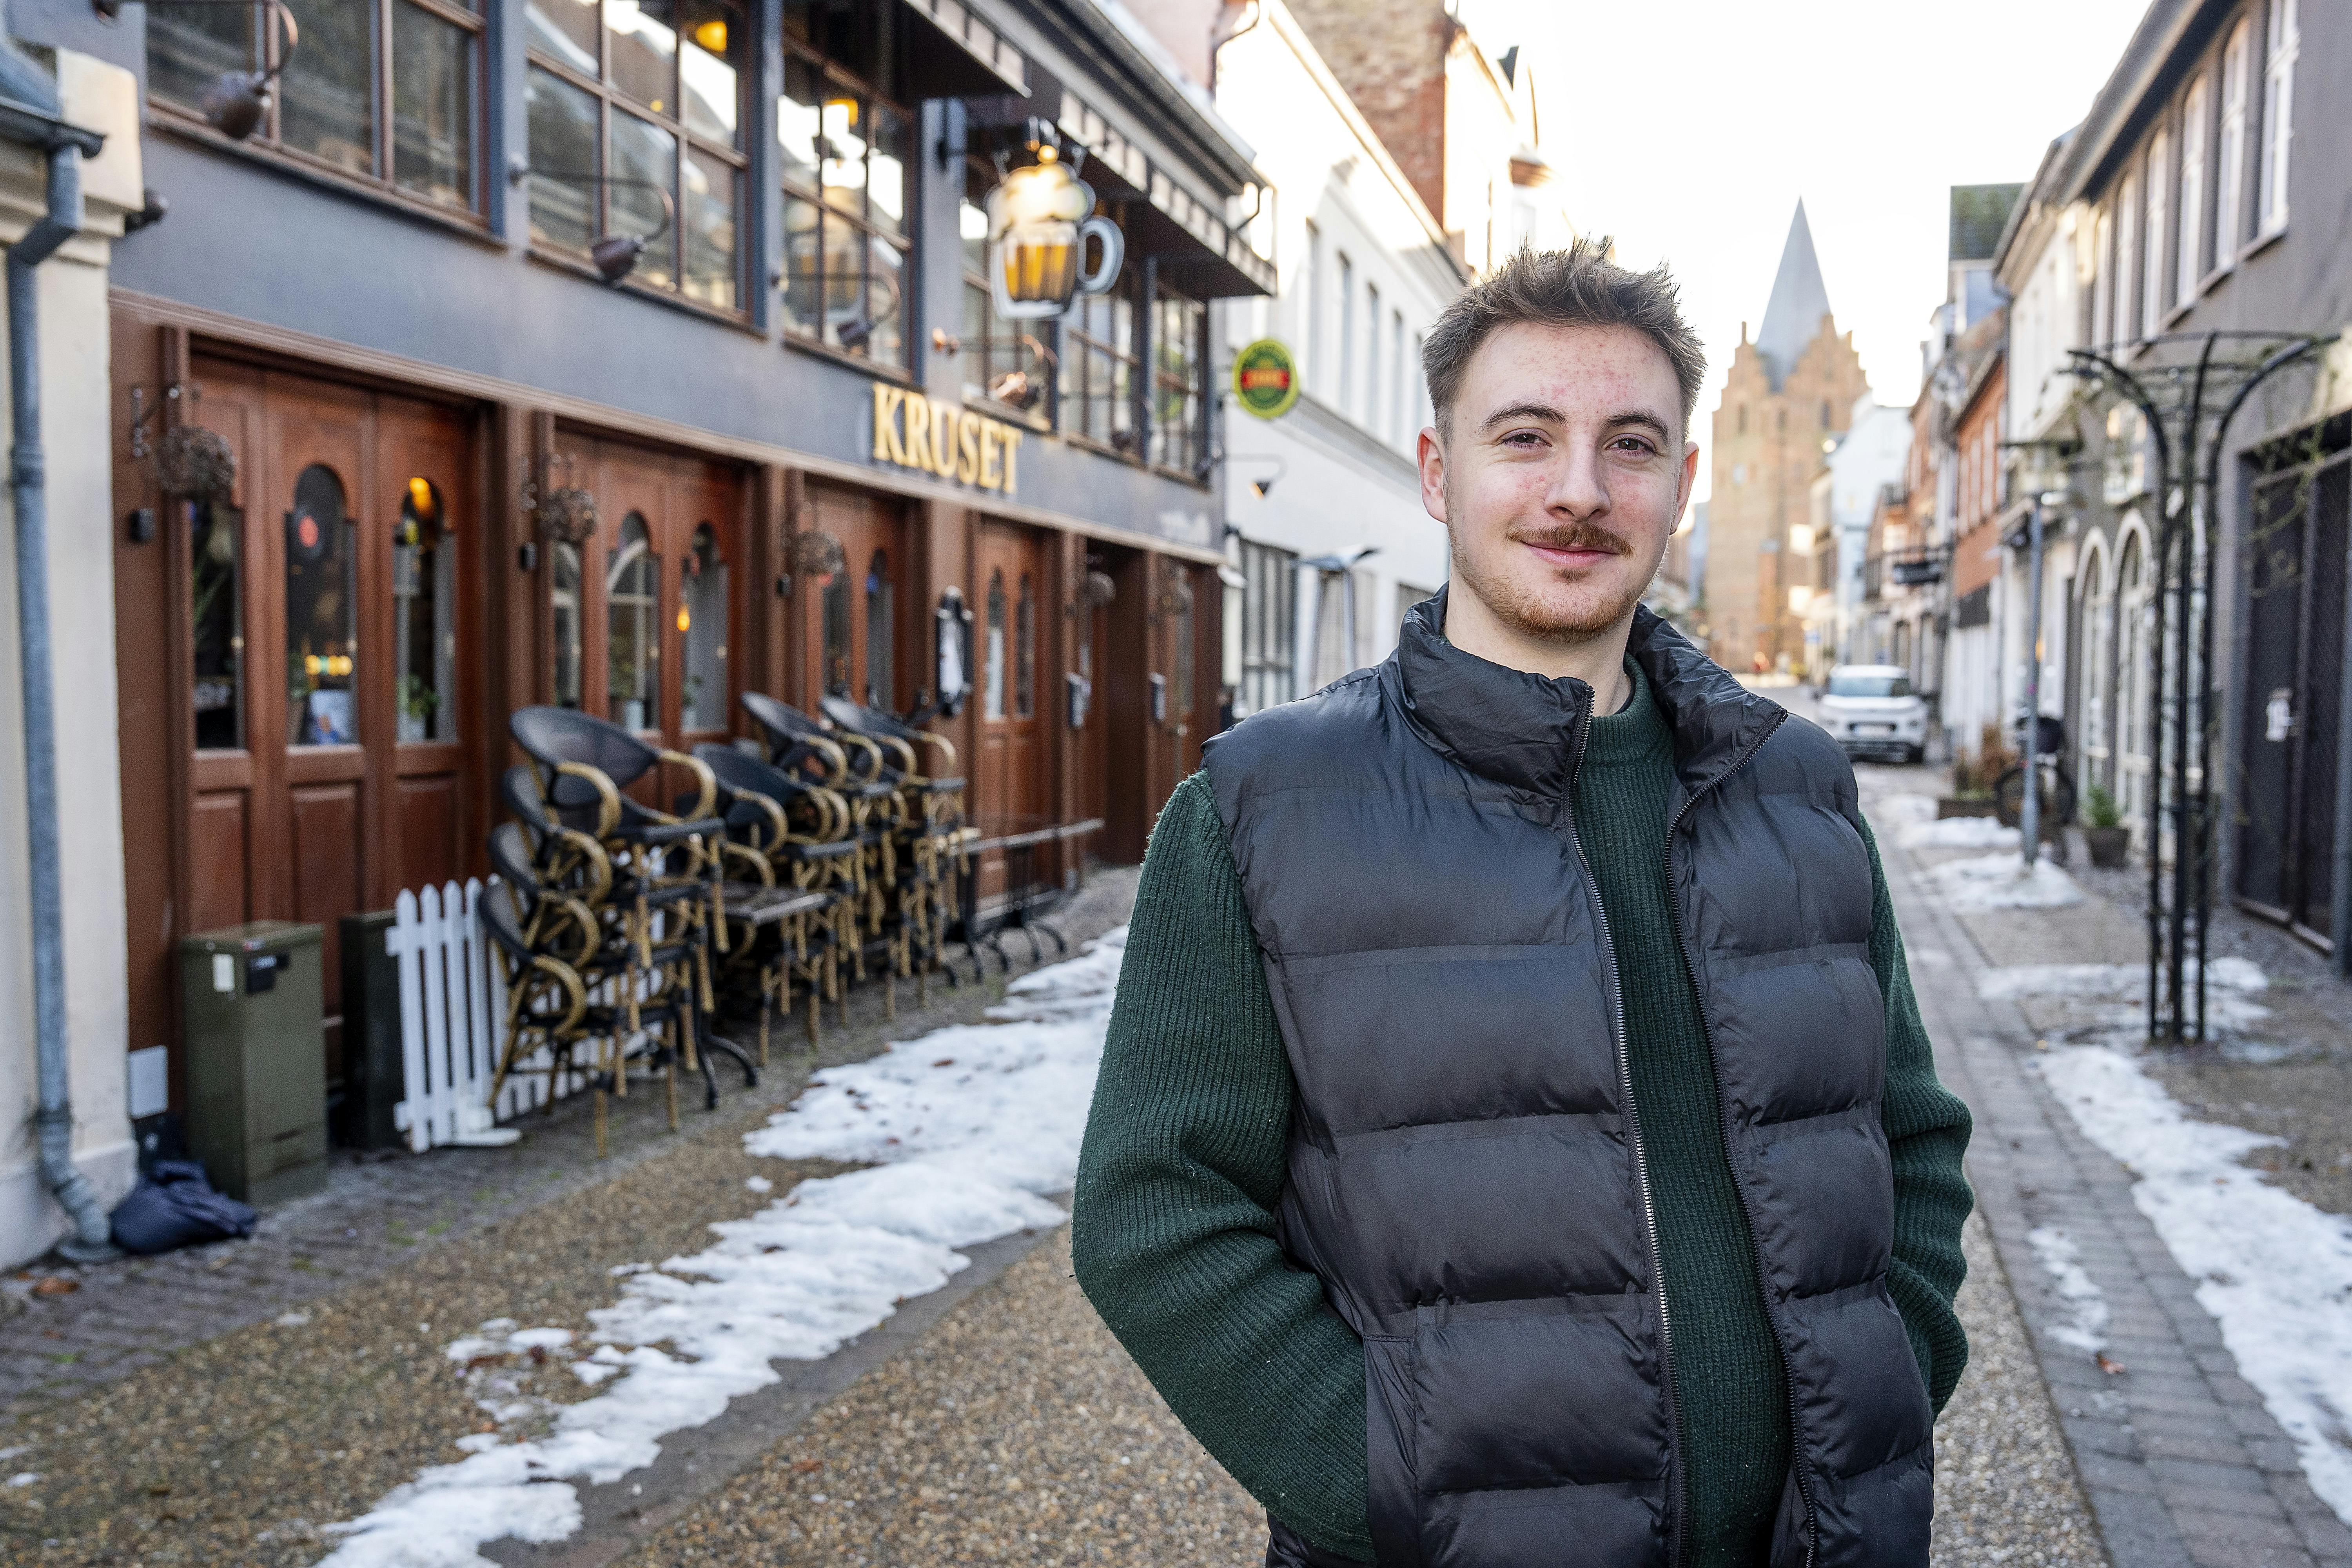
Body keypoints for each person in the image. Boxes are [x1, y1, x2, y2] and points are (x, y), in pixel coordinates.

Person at [1072, 241, 1972, 1568]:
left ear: (1681, 481)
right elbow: (1155, 1217)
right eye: (1525, 437)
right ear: (1440, 473)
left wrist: (1885, 1384)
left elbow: (1910, 1140)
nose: (1577, 492)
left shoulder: (1799, 791)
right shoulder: (1263, 811)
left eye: (1630, 445)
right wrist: (1393, 1487)